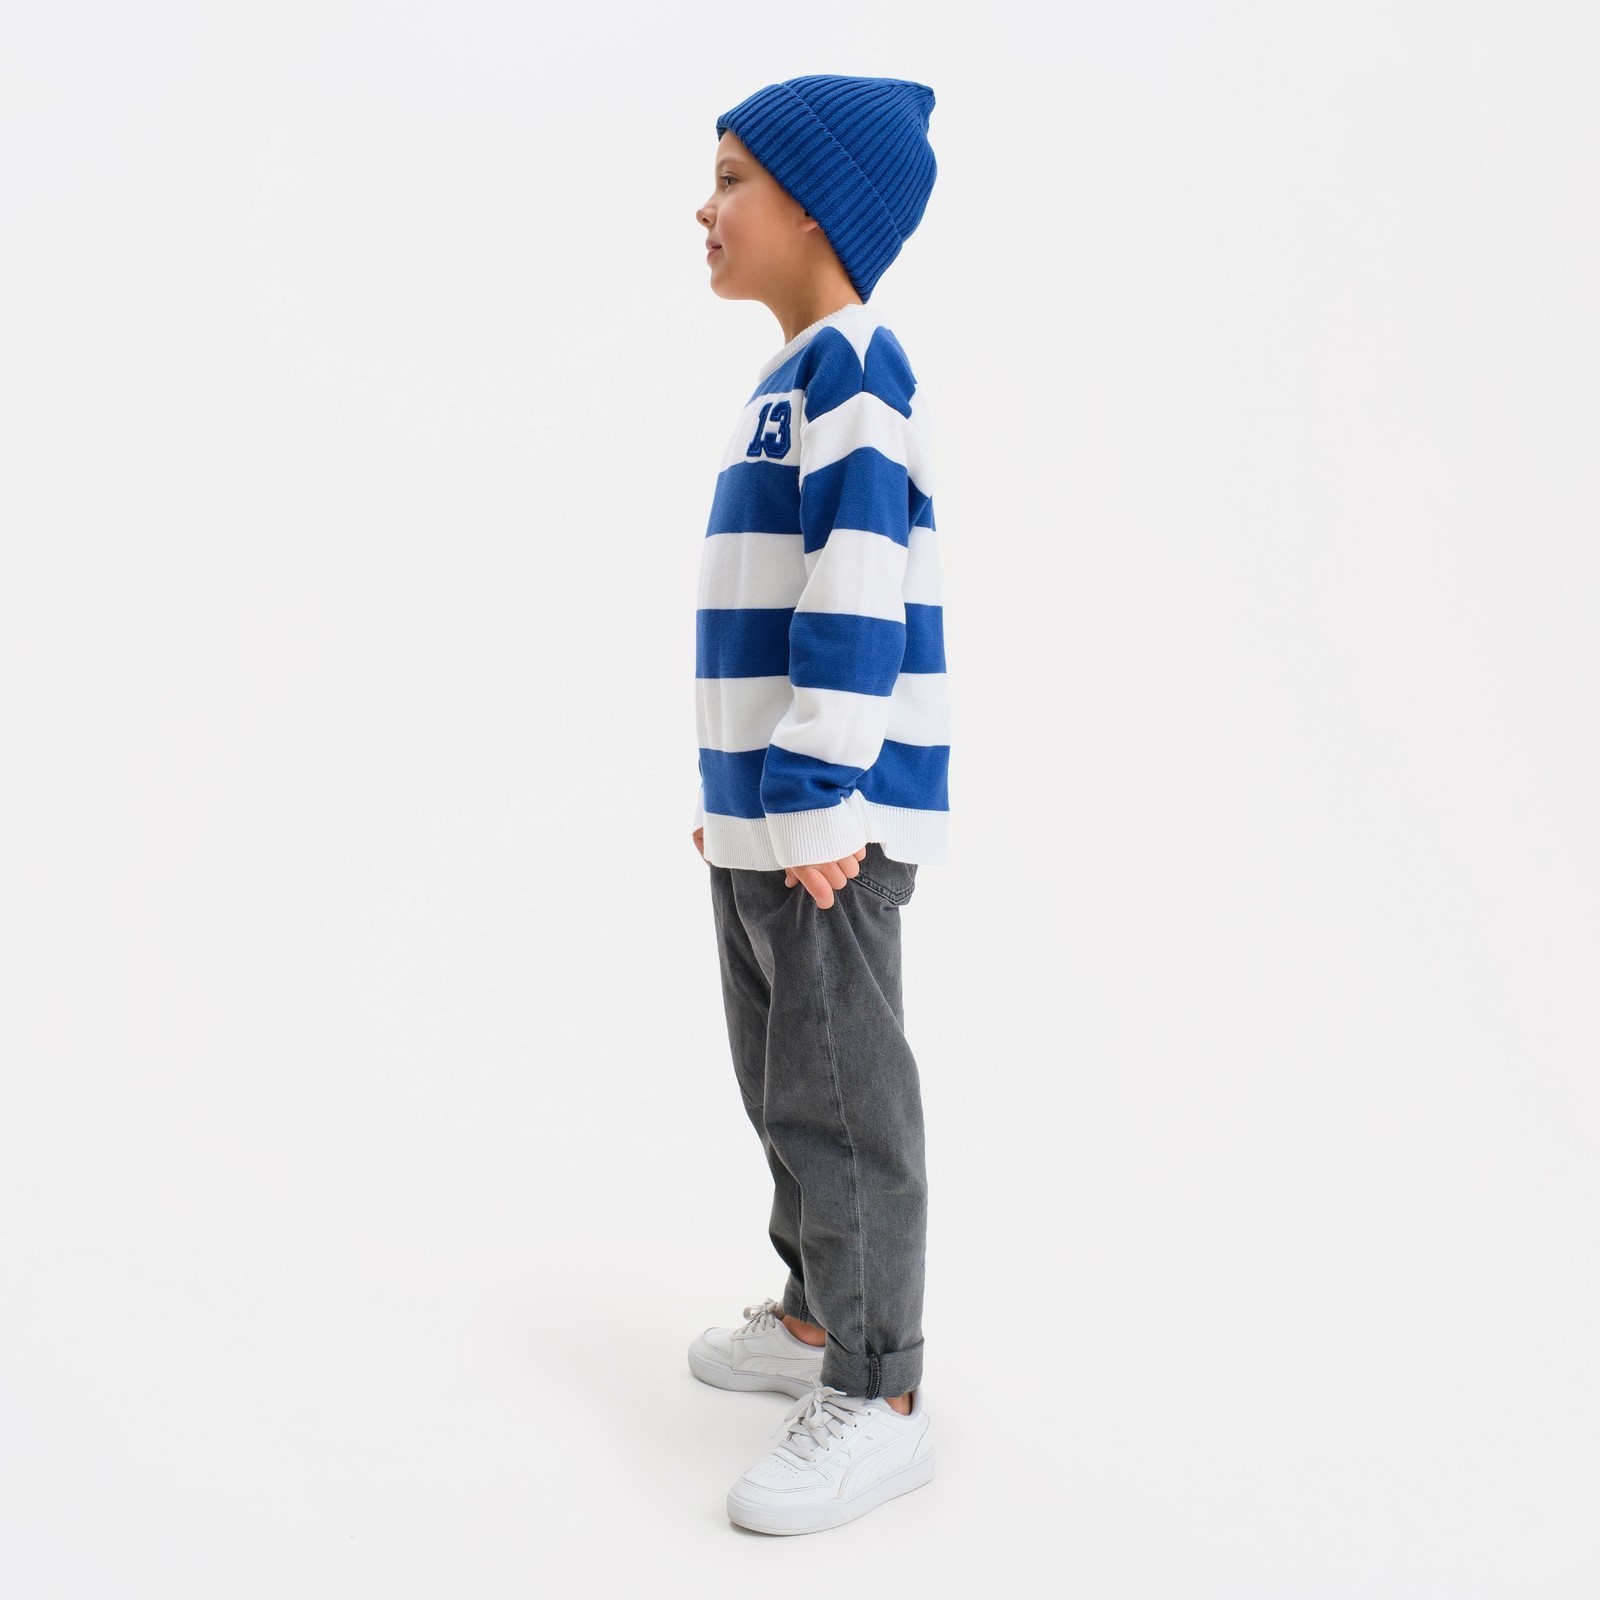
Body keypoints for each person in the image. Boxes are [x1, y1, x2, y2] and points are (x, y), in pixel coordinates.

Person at [684, 74, 950, 1536]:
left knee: (845, 1103)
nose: (705, 207)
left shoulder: (858, 372)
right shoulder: (788, 382)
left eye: (733, 178)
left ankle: (879, 1388)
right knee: (781, 1085)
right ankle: (810, 1316)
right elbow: (763, 609)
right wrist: (737, 794)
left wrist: (812, 792)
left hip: (825, 829)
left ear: (814, 208)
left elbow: (857, 595)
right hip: (768, 819)